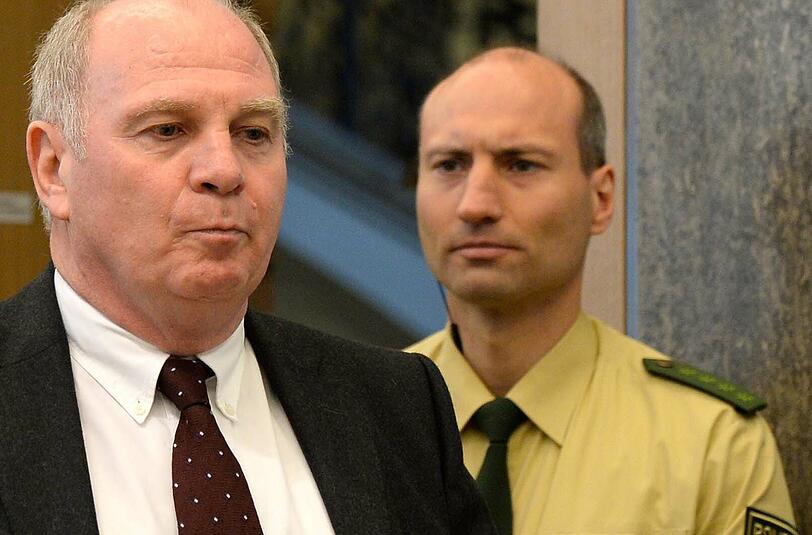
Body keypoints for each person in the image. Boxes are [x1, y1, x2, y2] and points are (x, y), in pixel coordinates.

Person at [0, 1, 495, 534]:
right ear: (53, 168)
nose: (225, 169)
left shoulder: (396, 407)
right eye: (167, 130)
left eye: (253, 133)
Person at [407, 47, 797, 535]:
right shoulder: (351, 422)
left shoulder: (709, 447)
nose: (475, 204)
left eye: (521, 165)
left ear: (601, 198)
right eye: (449, 165)